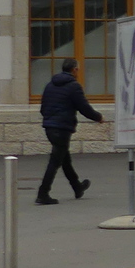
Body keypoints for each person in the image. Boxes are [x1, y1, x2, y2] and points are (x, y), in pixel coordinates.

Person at [37, 59, 105, 205]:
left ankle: (77, 187)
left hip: (49, 127)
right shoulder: (74, 86)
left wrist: (49, 119)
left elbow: (43, 107)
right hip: (62, 128)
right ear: (74, 70)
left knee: (64, 159)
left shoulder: (50, 85)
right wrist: (98, 117)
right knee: (55, 161)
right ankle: (43, 193)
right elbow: (83, 107)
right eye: (78, 69)